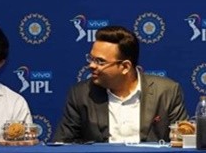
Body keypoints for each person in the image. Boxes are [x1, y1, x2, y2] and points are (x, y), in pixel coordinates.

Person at [56, 25, 187, 143]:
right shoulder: (81, 94)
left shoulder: (167, 92)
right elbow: (63, 144)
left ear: (125, 67)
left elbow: (184, 141)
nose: (91, 65)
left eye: (100, 61)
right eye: (91, 58)